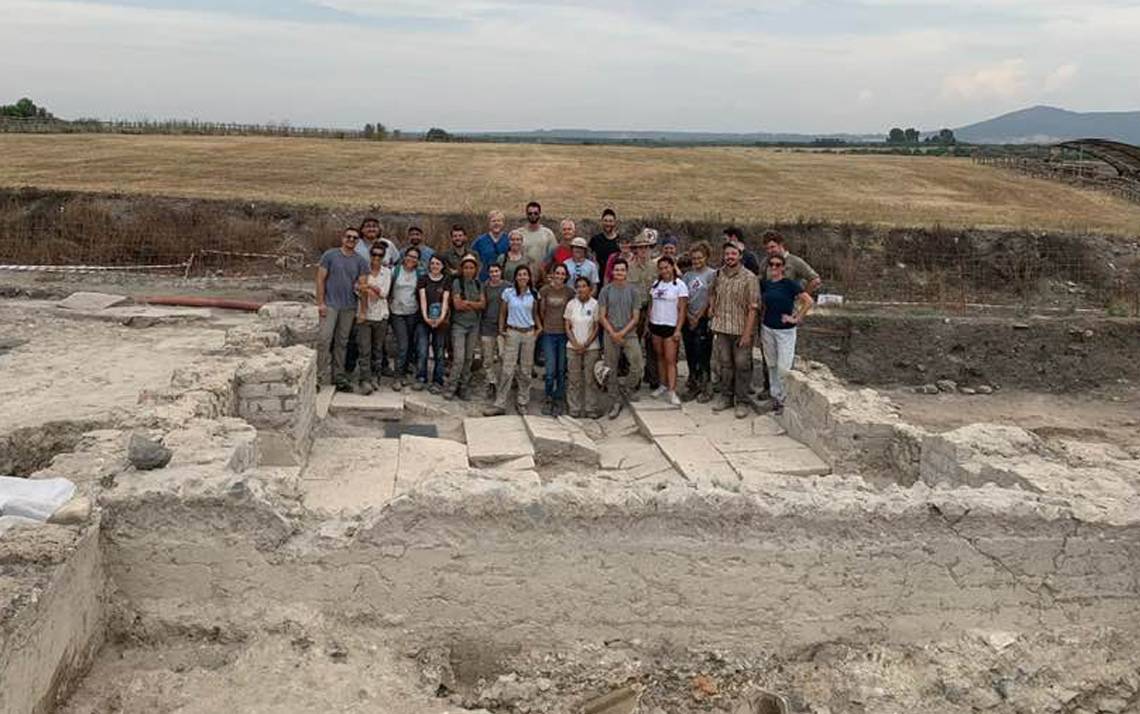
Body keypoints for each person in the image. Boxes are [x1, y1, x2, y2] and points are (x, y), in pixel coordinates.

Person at [709, 241, 759, 419]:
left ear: (740, 256)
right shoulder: (718, 274)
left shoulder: (749, 278)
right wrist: (712, 308)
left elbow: (753, 308)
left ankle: (742, 401)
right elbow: (713, 292)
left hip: (741, 330)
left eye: (733, 254)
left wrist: (747, 333)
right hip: (722, 328)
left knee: (742, 365)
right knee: (725, 365)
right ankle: (726, 397)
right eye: (727, 254)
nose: (730, 257)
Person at [316, 227, 369, 391]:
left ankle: (338, 377)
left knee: (342, 343)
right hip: (331, 305)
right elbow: (320, 279)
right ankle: (318, 377)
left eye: (355, 238)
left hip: (349, 307)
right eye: (349, 237)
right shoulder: (330, 255)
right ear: (342, 238)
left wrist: (362, 310)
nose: (351, 240)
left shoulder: (360, 261)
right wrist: (320, 303)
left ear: (358, 241)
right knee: (324, 340)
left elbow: (363, 287)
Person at [760, 253, 814, 415]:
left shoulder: (789, 284)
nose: (774, 267)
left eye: (778, 264)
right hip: (768, 328)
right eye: (772, 264)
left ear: (783, 267)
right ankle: (776, 397)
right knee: (772, 364)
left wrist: (796, 318)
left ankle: (785, 398)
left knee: (784, 366)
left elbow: (808, 301)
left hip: (785, 331)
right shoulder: (766, 284)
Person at [484, 265, 541, 416]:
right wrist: (502, 330)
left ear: (529, 277)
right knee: (507, 369)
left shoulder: (533, 294)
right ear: (515, 277)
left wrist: (538, 330)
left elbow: (535, 314)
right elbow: (503, 312)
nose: (523, 277)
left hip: (528, 333)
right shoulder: (508, 293)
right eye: (520, 274)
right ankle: (500, 403)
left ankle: (523, 401)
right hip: (512, 332)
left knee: (525, 370)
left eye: (525, 274)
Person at [598, 258, 644, 419]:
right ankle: (615, 401)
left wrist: (622, 333)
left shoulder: (634, 291)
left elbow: (636, 317)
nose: (619, 273)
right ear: (612, 272)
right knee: (611, 368)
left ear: (626, 272)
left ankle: (628, 388)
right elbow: (602, 316)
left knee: (637, 364)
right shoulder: (606, 290)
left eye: (622, 270)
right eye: (616, 270)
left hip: (628, 333)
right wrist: (613, 333)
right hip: (610, 333)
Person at [647, 256, 689, 406]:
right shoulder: (656, 284)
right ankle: (663, 385)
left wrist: (678, 329)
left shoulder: (679, 285)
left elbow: (682, 309)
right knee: (660, 357)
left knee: (671, 360)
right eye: (661, 268)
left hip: (671, 326)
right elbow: (651, 305)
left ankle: (672, 390)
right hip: (656, 325)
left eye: (667, 267)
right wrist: (648, 324)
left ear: (672, 267)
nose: (664, 270)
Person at [353, 243, 393, 394]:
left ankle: (376, 377)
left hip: (380, 315)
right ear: (370, 255)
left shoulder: (387, 273)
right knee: (364, 349)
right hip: (364, 314)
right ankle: (365, 379)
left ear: (383, 257)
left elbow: (384, 293)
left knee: (377, 349)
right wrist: (368, 289)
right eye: (374, 254)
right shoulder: (363, 269)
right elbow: (357, 289)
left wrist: (368, 287)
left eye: (380, 255)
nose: (376, 257)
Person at [681, 241, 716, 402]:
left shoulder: (711, 274)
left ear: (706, 257)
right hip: (688, 318)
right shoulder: (687, 276)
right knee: (691, 352)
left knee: (703, 353)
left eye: (699, 258)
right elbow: (684, 297)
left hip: (702, 319)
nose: (696, 261)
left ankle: (706, 386)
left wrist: (699, 316)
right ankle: (693, 382)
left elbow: (710, 298)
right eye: (694, 259)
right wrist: (688, 315)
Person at [446, 254, 484, 400]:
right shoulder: (457, 283)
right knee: (459, 358)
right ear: (462, 268)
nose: (469, 270)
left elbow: (483, 304)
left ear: (476, 269)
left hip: (473, 325)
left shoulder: (478, 284)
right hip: (459, 325)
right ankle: (451, 386)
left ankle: (464, 386)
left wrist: (467, 303)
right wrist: (473, 304)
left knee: (469, 358)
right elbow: (457, 305)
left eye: (471, 267)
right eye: (466, 267)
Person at [563, 276, 602, 418]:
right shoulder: (571, 304)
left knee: (590, 379)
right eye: (578, 286)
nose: (581, 289)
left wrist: (586, 344)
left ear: (590, 289)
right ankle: (574, 407)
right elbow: (567, 326)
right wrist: (575, 343)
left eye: (584, 286)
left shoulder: (595, 304)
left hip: (591, 347)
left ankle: (591, 408)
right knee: (574, 379)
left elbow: (597, 327)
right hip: (572, 347)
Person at [539, 263, 573, 416]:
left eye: (562, 274)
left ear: (566, 276)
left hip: (564, 334)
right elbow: (541, 311)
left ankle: (559, 398)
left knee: (561, 369)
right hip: (549, 333)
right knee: (550, 369)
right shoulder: (545, 290)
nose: (559, 276)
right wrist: (542, 326)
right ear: (552, 274)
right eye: (557, 273)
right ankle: (548, 396)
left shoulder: (570, 292)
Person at [627, 229, 659, 390]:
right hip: (634, 310)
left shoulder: (655, 268)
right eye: (640, 248)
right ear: (636, 250)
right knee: (634, 345)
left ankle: (652, 376)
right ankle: (635, 378)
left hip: (651, 308)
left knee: (651, 344)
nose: (643, 251)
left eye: (647, 247)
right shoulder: (628, 268)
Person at [415, 255, 450, 393]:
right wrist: (426, 318)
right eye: (433, 263)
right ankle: (421, 377)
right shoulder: (423, 279)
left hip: (440, 321)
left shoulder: (446, 280)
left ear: (442, 266)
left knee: (439, 352)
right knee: (422, 350)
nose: (435, 266)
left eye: (438, 264)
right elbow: (422, 298)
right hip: (423, 320)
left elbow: (445, 301)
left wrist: (440, 319)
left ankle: (438, 380)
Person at [388, 246, 422, 390]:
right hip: (397, 312)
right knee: (402, 344)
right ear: (404, 256)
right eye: (409, 256)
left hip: (412, 312)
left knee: (409, 344)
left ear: (418, 260)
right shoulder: (394, 271)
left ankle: (405, 371)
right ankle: (397, 376)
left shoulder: (419, 274)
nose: (411, 259)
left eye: (415, 257)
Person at [479, 263, 506, 401]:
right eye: (491, 271)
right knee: (488, 358)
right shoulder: (485, 286)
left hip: (503, 328)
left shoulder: (508, 286)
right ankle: (491, 382)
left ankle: (504, 383)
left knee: (503, 356)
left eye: (496, 271)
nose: (494, 274)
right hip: (487, 326)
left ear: (501, 272)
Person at [519, 201, 557, 276]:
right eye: (530, 213)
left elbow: (553, 255)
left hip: (542, 275)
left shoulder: (548, 234)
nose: (533, 215)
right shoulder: (519, 233)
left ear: (540, 214)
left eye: (535, 213)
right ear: (526, 214)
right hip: (523, 275)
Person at [471, 210, 510, 282]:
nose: (496, 223)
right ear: (488, 224)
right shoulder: (480, 241)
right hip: (485, 278)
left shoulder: (509, 240)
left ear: (503, 223)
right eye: (493, 221)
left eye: (499, 221)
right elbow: (472, 258)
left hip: (504, 279)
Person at [588, 208, 621, 286]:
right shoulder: (595, 240)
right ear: (601, 222)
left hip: (615, 280)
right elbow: (589, 257)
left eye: (610, 221)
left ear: (615, 223)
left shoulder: (620, 241)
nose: (608, 224)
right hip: (598, 280)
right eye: (605, 221)